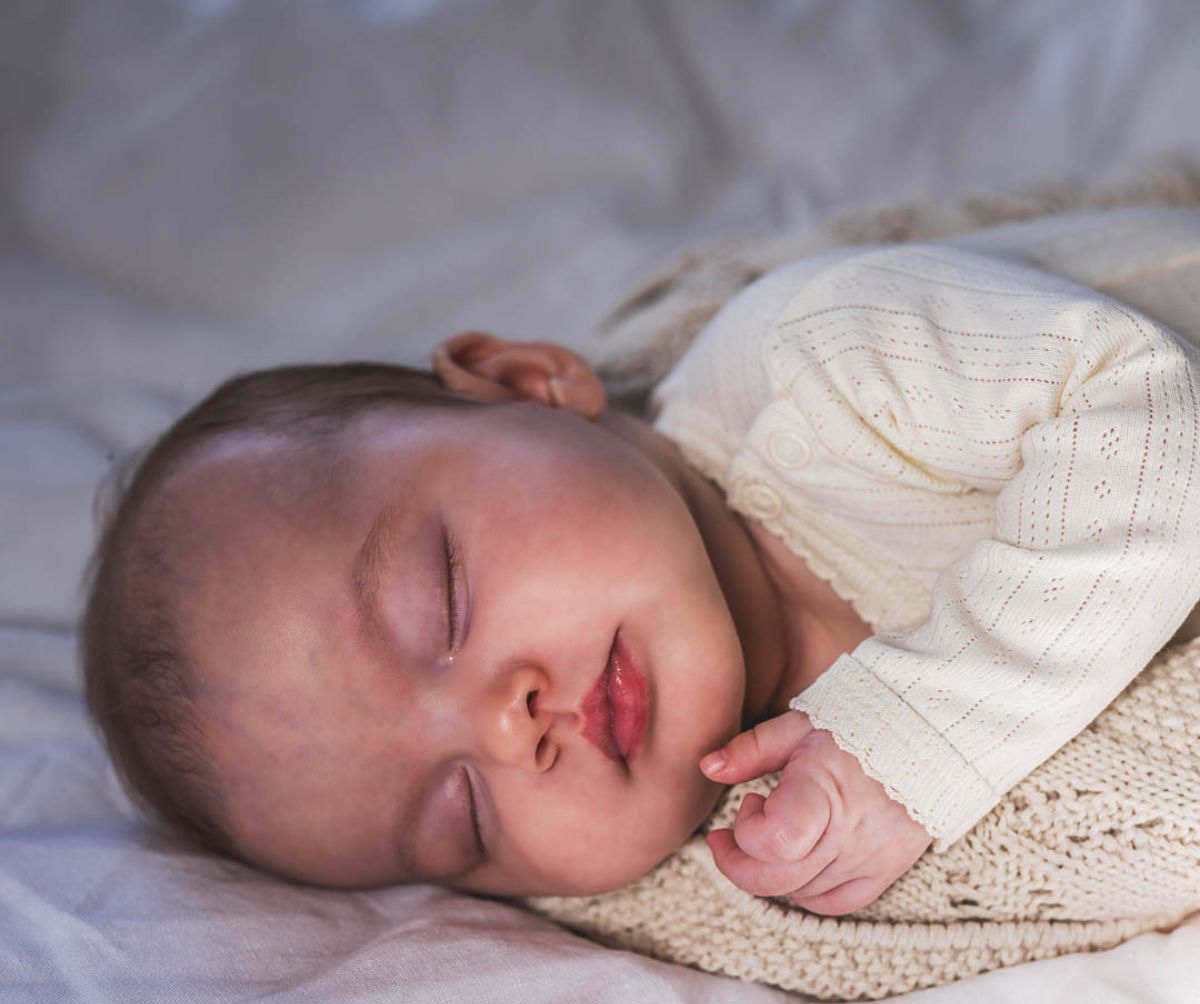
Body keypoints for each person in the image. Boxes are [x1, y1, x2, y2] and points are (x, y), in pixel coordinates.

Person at [80, 211, 1200, 916]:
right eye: (462, 817)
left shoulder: (828, 365)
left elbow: (1153, 417)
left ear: (525, 382)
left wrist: (930, 735)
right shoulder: (755, 861)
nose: (509, 730)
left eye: (444, 600)